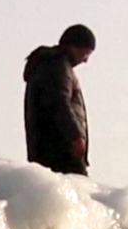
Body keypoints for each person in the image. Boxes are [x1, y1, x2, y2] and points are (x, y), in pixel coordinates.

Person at [23, 24, 95, 176]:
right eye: (85, 53)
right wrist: (75, 136)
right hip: (61, 151)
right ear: (74, 47)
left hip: (47, 148)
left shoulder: (49, 65)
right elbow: (59, 103)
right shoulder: (58, 66)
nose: (85, 60)